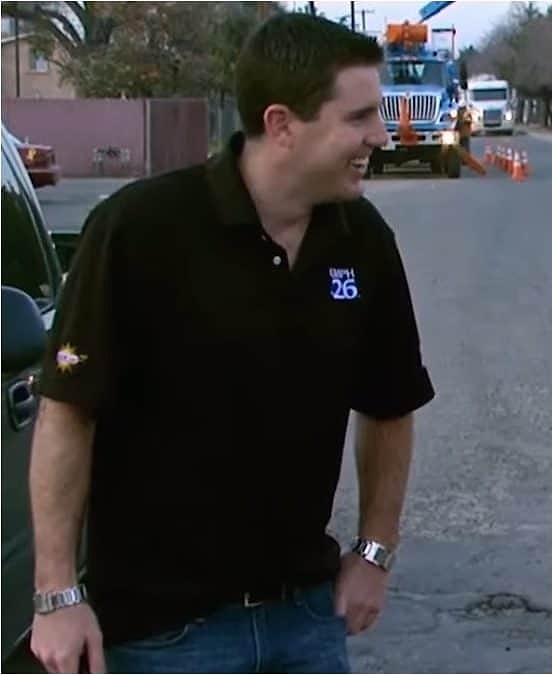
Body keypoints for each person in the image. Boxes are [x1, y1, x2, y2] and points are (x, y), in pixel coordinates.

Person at [27, 13, 434, 674]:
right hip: (164, 637)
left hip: (306, 619)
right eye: (359, 118)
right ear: (282, 124)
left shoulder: (362, 240)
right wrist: (56, 595)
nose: (381, 136)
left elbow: (391, 403)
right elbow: (67, 411)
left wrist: (375, 551)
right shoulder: (138, 231)